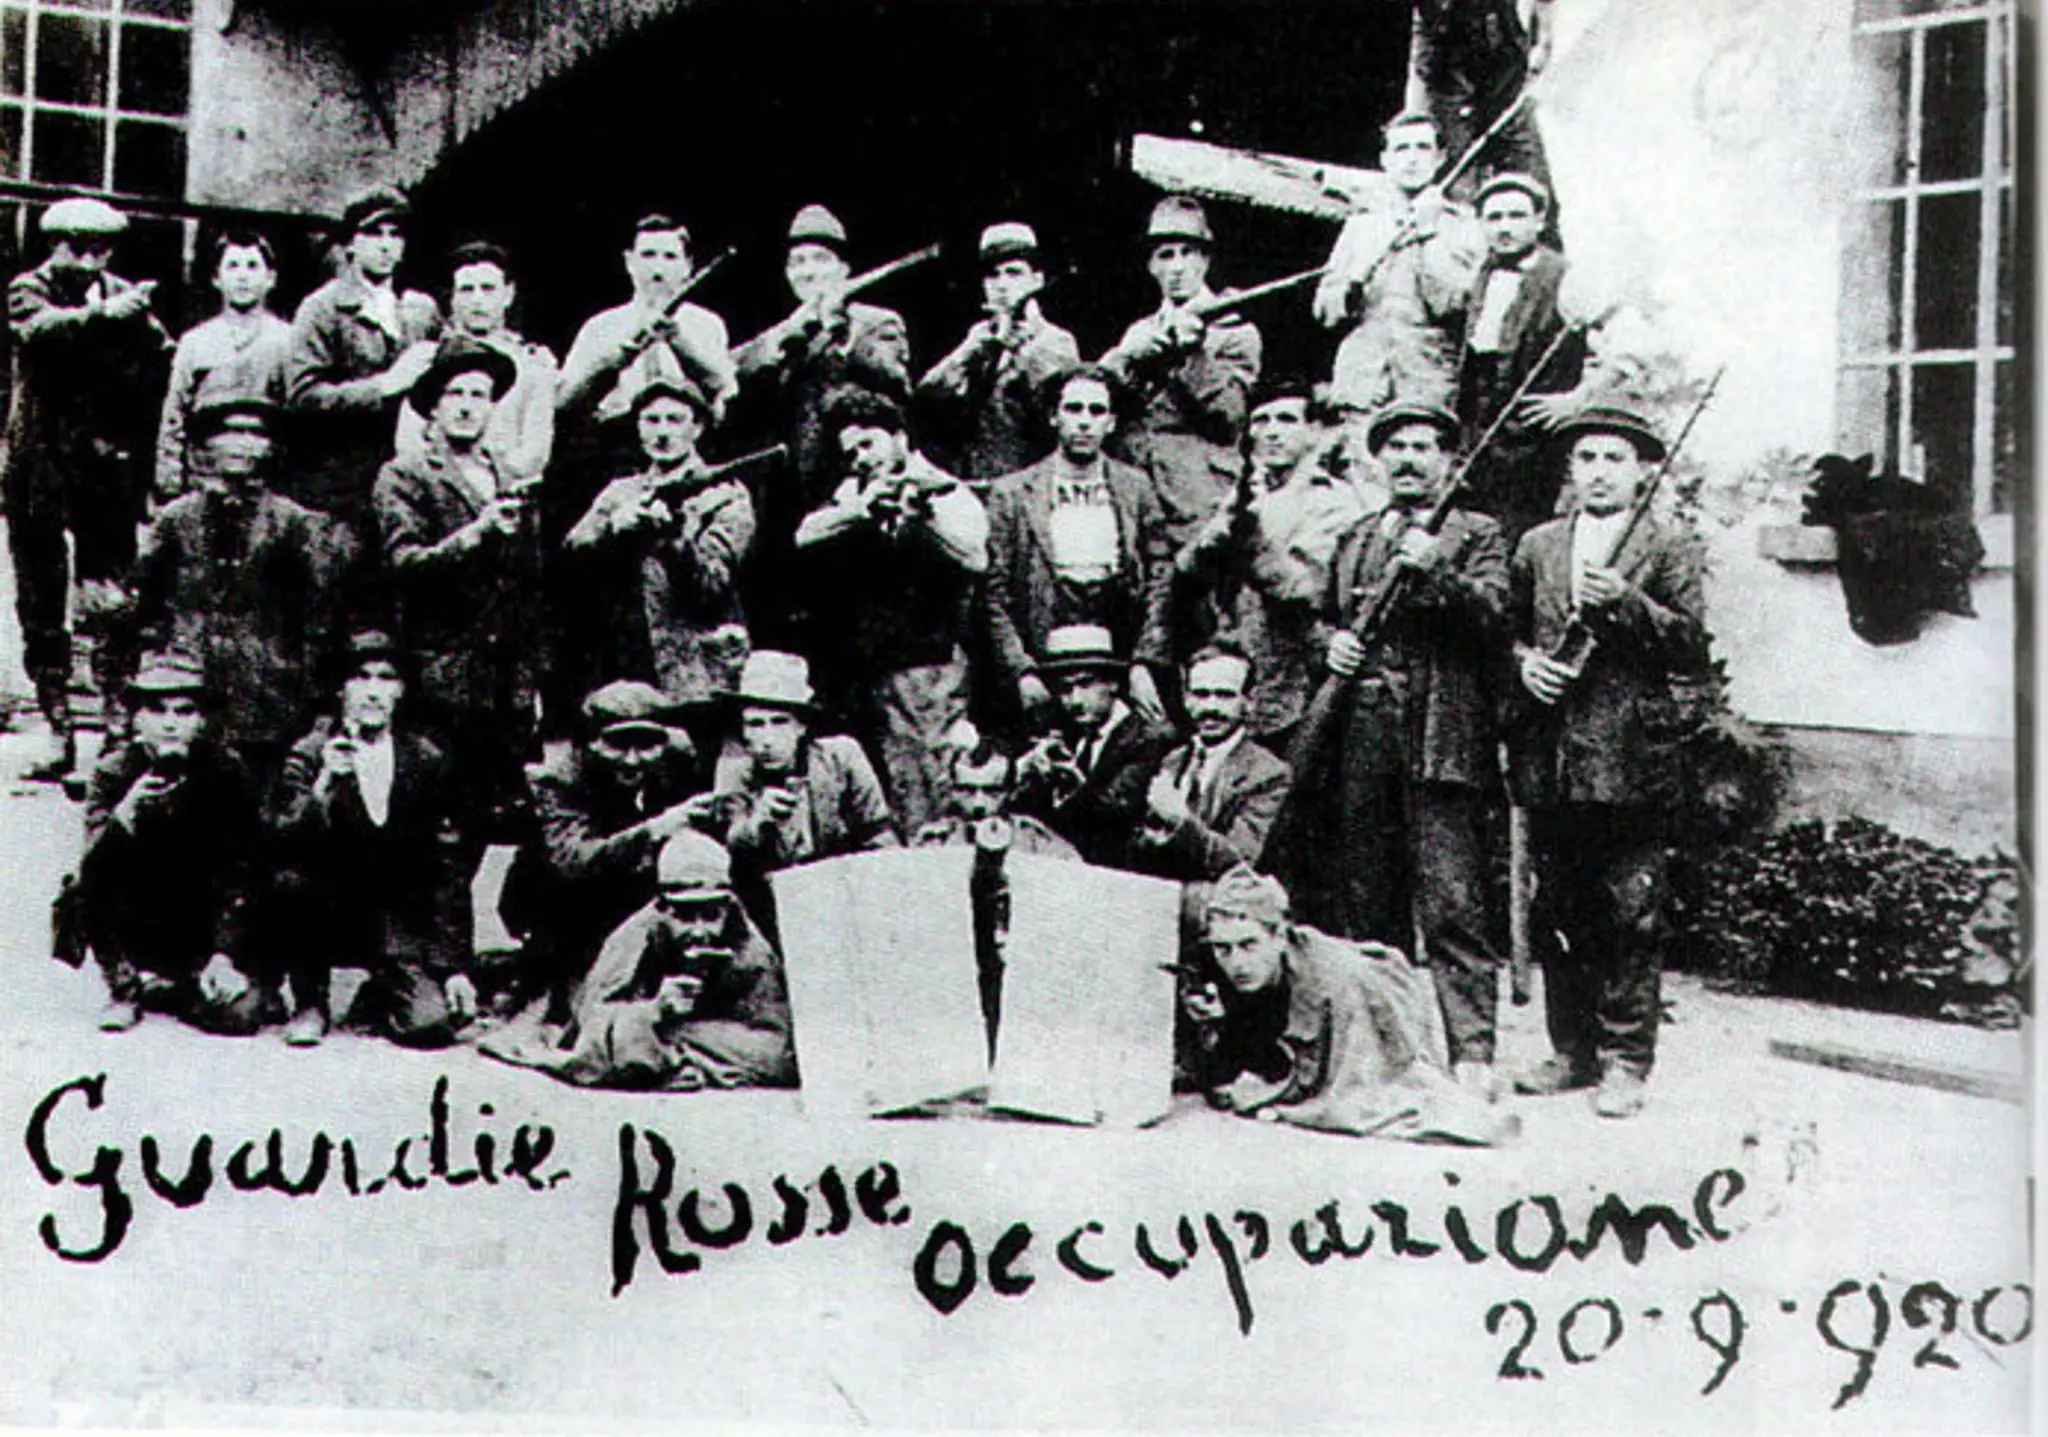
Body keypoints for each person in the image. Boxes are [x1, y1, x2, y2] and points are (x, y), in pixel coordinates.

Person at [1267, 399, 1511, 1091]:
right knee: (1370, 901)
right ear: (1378, 460)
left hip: (1441, 740)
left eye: (1423, 446)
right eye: (1396, 446)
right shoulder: (1357, 537)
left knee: (1453, 904)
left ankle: (1472, 1056)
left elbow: (1497, 620)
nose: (1408, 459)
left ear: (1448, 460)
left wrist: (1436, 570)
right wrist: (1330, 644)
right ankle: (1394, 1048)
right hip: (1363, 741)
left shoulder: (1476, 534)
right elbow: (1317, 618)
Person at [1507, 403, 1706, 1119]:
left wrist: (1627, 602)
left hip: (1628, 758)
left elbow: (1690, 643)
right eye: (1586, 458)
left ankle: (1626, 1060)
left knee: (1630, 911)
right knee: (1560, 906)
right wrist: (1525, 664)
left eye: (1614, 459)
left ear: (1641, 470)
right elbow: (1508, 630)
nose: (1599, 472)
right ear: (1570, 468)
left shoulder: (1668, 544)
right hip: (1554, 756)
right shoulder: (1537, 545)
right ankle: (1572, 1050)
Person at [6, 196, 172, 781]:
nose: (88, 259)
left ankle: (116, 726)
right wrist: (107, 315)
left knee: (112, 600)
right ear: (55, 245)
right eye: (77, 247)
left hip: (103, 472)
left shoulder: (123, 295)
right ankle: (59, 729)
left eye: (99, 249)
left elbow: (162, 355)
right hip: (39, 472)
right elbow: (40, 331)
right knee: (41, 601)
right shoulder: (29, 289)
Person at [1176, 866, 1515, 1145]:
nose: (1236, 962)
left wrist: (1273, 1099)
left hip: (1375, 996)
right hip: (1307, 1007)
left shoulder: (1334, 981)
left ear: (1279, 937)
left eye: (1248, 945)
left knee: (1381, 1096)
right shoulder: (1228, 968)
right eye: (1223, 949)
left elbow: (1339, 1083)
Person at [128, 395, 359, 789]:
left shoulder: (294, 523)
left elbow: (317, 615)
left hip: (266, 693)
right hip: (191, 687)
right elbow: (145, 603)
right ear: (206, 446)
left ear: (271, 447)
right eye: (229, 431)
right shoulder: (177, 520)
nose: (241, 443)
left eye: (255, 433)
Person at [794, 386, 988, 832]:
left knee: (926, 784)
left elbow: (976, 557)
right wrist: (861, 510)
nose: (860, 458)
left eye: (869, 444)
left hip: (926, 671)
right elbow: (805, 534)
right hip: (863, 672)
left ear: (900, 437)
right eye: (851, 452)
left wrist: (925, 515)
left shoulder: (946, 490)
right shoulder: (852, 492)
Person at [373, 336, 539, 849]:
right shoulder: (405, 475)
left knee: (499, 824)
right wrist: (476, 534)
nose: (468, 406)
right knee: (437, 821)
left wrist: (530, 678)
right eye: (455, 394)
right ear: (433, 406)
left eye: (479, 395)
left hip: (504, 682)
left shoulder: (511, 476)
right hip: (439, 677)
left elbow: (529, 584)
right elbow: (404, 565)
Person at [268, 630, 471, 1048]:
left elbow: (447, 866)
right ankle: (311, 1002)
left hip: (393, 917)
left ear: (401, 690)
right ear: (341, 689)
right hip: (325, 910)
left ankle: (380, 994)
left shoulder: (424, 758)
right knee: (291, 880)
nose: (373, 692)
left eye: (386, 678)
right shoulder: (310, 752)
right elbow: (285, 839)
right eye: (361, 677)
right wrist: (324, 784)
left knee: (429, 1025)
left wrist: (454, 968)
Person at [68, 650, 275, 1035]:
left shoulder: (225, 770)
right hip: (139, 913)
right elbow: (93, 865)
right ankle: (125, 988)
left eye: (184, 712)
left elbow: (243, 869)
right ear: (137, 718)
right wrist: (126, 812)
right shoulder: (114, 771)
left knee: (241, 1017)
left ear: (201, 720)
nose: (170, 723)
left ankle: (182, 986)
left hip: (200, 918)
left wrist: (224, 953)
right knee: (83, 885)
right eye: (157, 710)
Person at [735, 204, 912, 645]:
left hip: (855, 483)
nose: (808, 270)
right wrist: (792, 333)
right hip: (789, 494)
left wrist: (840, 334)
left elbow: (897, 384)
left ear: (844, 269)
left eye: (820, 259)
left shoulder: (876, 322)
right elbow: (736, 377)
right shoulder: (785, 331)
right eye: (798, 261)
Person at [516, 832, 796, 1092]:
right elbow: (593, 1022)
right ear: (663, 908)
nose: (699, 931)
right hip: (654, 1029)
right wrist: (655, 1010)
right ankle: (676, 1058)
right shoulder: (635, 936)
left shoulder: (747, 942)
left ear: (729, 907)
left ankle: (677, 1056)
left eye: (712, 915)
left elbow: (775, 1040)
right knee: (625, 1038)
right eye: (685, 916)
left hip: (712, 1033)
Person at [505, 681, 715, 1021]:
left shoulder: (679, 759)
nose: (632, 760)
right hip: (570, 909)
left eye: (646, 745)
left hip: (640, 897)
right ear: (590, 741)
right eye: (617, 745)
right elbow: (573, 861)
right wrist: (655, 830)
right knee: (586, 1013)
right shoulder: (560, 779)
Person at [982, 367, 1173, 737]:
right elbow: (994, 592)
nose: (1085, 422)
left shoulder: (1135, 487)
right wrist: (1021, 670)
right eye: (1073, 409)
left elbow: (1160, 578)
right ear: (1054, 417)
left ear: (1111, 422)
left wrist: (1144, 662)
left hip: (1117, 640)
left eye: (1096, 411)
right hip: (1043, 645)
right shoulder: (1013, 493)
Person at [564, 376, 754, 714]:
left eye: (675, 420)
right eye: (651, 420)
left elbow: (712, 586)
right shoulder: (619, 493)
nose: (662, 432)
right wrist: (613, 526)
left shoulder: (724, 494)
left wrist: (671, 540)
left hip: (695, 666)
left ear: (697, 428)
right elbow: (570, 558)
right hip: (622, 658)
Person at [1167, 375, 1335, 749]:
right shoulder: (1243, 493)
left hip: (1294, 687)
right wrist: (1217, 533)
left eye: (1286, 420)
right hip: (1230, 679)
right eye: (1261, 421)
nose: (1272, 432)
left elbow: (1303, 591)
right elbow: (1189, 573)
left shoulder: (1330, 502)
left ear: (1313, 432)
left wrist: (1252, 532)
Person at [1100, 195, 1262, 549]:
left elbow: (1229, 417)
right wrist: (1124, 357)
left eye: (1187, 253)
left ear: (1205, 260)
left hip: (1199, 500)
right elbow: (1097, 404)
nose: (1177, 267)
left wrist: (1192, 355)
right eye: (1165, 255)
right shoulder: (1140, 333)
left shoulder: (1234, 331)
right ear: (1151, 266)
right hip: (1136, 496)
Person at [706, 651, 898, 936]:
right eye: (755, 724)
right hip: (768, 909)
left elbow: (877, 832)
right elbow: (728, 852)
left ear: (801, 726)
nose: (767, 739)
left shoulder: (840, 757)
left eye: (780, 721)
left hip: (843, 895)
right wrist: (757, 821)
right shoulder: (734, 771)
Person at [283, 186, 442, 529]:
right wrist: (382, 386)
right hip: (340, 489)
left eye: (395, 234)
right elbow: (302, 397)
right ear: (351, 243)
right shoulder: (323, 308)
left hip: (407, 486)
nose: (386, 245)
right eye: (373, 234)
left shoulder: (420, 311)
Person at [1312, 111, 1481, 418]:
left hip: (1424, 379)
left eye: (1422, 148)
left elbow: (1451, 305)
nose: (1412, 159)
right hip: (1362, 379)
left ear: (1440, 157)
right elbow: (1325, 313)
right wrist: (1352, 282)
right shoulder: (1361, 225)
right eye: (1401, 149)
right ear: (1385, 159)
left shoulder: (1462, 225)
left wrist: (1429, 234)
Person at [915, 739, 1079, 1050]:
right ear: (951, 790)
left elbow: (1076, 891)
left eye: (992, 792)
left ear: (1011, 791)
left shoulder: (1037, 841)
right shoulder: (934, 843)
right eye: (967, 790)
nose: (979, 804)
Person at [1455, 172, 1585, 546]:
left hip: (1534, 446)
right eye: (1494, 218)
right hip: (1478, 438)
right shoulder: (1482, 273)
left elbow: (1624, 348)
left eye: (1516, 216)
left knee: (1522, 541)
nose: (1504, 227)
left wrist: (1576, 399)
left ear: (1539, 221)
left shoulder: (1566, 276)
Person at [915, 221, 1079, 485]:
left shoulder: (1056, 340)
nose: (1001, 285)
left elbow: (1054, 409)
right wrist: (970, 351)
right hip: (975, 479)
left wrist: (1019, 349)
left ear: (1036, 280)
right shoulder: (979, 338)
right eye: (992, 275)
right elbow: (929, 396)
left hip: (1031, 484)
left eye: (1014, 273)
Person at [556, 214, 735, 455]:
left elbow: (724, 394)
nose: (658, 268)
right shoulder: (600, 327)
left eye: (670, 257)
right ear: (629, 262)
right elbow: (564, 404)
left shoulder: (707, 325)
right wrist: (613, 360)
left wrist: (679, 342)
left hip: (688, 449)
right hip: (616, 450)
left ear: (687, 266)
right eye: (648, 255)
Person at [1011, 624, 1178, 868]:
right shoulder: (1071, 736)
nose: (1075, 701)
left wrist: (1073, 783)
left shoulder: (1147, 739)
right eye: (1065, 689)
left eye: (1085, 684)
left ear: (1113, 683)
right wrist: (1029, 772)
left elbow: (1115, 816)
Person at [395, 240, 559, 485]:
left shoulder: (533, 366)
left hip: (506, 492)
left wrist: (487, 480)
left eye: (488, 289)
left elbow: (535, 454)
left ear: (508, 294)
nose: (477, 300)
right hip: (433, 491)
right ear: (452, 298)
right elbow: (408, 442)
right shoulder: (424, 358)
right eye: (466, 290)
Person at [1131, 646, 1289, 881]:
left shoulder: (1268, 774)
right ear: (1186, 699)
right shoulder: (1174, 760)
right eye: (1200, 694)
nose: (1210, 707)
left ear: (1249, 702)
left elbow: (1240, 861)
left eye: (1225, 695)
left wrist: (1179, 820)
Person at [156, 230, 291, 503]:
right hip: (205, 474)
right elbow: (174, 416)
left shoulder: (288, 341)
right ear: (216, 278)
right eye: (232, 266)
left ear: (270, 278)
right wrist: (169, 484)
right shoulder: (195, 342)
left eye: (252, 266)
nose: (242, 276)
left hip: (267, 476)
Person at [1410, 0, 1557, 204]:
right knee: (1457, 180)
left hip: (1504, 63)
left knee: (1532, 180)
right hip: (1448, 66)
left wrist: (1544, 39)